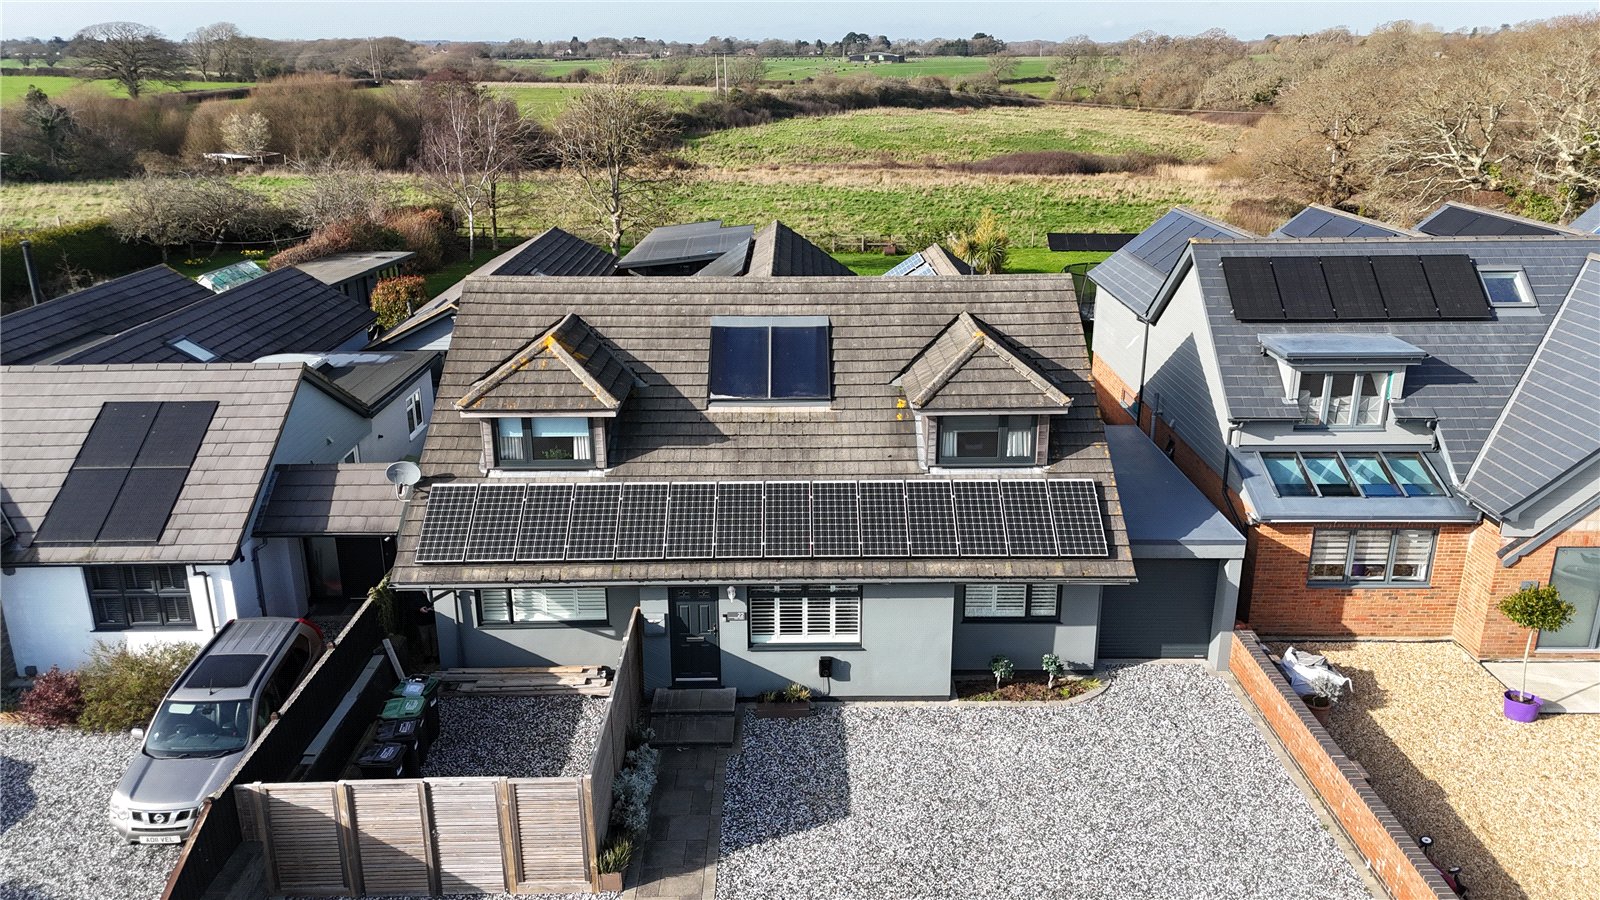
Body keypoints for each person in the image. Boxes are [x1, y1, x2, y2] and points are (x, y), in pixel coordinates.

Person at [403, 591, 437, 663]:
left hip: (433, 620)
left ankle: (435, 655)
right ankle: (428, 655)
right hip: (422, 622)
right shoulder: (414, 593)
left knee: (434, 638)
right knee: (425, 639)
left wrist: (433, 607)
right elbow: (410, 606)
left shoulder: (432, 591)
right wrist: (419, 609)